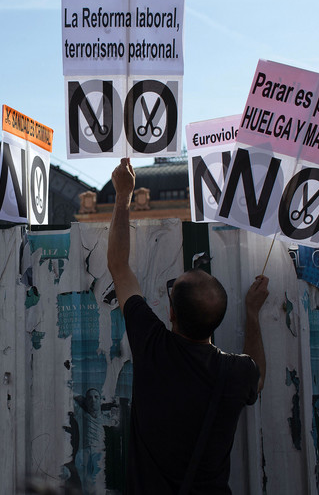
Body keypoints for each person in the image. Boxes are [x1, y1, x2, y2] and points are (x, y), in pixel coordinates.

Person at [106, 158, 269, 494]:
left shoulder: (152, 346)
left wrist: (123, 196)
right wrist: (252, 315)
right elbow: (259, 376)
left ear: (171, 313)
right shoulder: (236, 373)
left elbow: (119, 268)